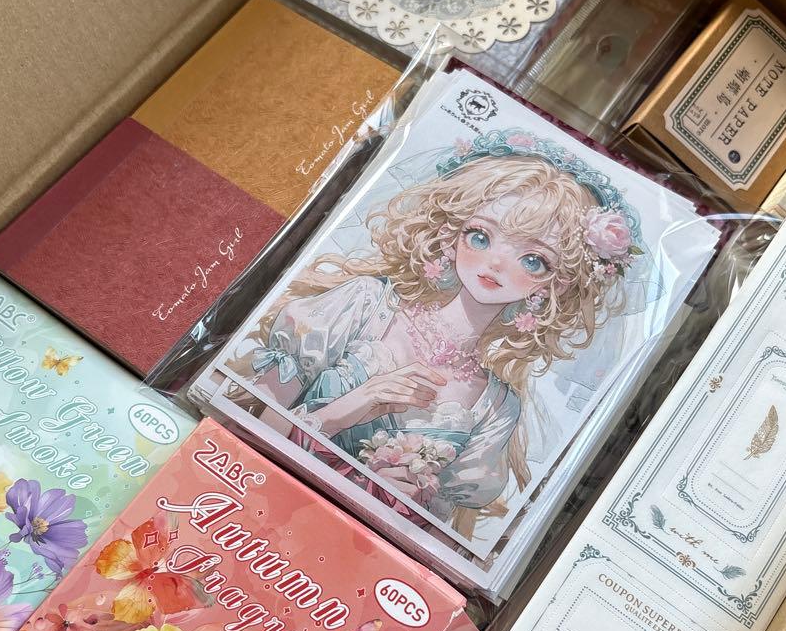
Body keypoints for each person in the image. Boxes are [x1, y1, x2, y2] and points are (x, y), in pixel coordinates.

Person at [228, 129, 641, 540]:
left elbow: (435, 540)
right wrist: (354, 404)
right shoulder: (365, 305)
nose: (496, 263)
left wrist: (407, 501)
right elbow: (245, 427)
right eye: (480, 236)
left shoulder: (496, 407)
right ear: (450, 233)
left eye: (533, 260)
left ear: (556, 285)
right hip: (242, 496)